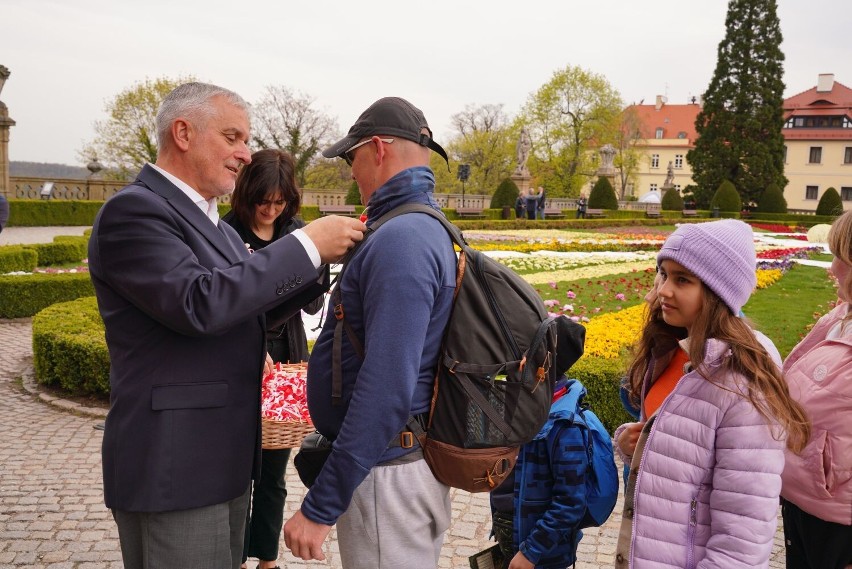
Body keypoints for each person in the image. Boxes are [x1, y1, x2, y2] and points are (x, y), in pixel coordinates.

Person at [87, 82, 365, 569]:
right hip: (175, 467)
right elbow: (201, 304)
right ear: (183, 133)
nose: (246, 153)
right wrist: (306, 245)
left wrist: (319, 269)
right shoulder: (135, 211)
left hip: (224, 462)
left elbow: (248, 312)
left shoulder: (209, 220)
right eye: (234, 137)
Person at [283, 97, 457, 568]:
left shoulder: (402, 239)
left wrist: (322, 505)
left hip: (387, 474)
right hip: (392, 465)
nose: (350, 172)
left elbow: (386, 389)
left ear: (377, 148)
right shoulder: (416, 226)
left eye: (350, 157)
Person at [612, 219, 810, 568]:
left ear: (719, 291)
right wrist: (640, 443)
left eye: (682, 280)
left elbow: (742, 538)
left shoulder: (743, 381)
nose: (663, 290)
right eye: (664, 274)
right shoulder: (673, 349)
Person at [222, 148, 326, 569]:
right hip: (238, 355)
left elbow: (312, 303)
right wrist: (251, 344)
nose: (269, 210)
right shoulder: (224, 231)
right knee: (232, 470)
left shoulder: (296, 233)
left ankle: (265, 559)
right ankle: (234, 557)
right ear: (248, 194)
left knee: (272, 470)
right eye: (263, 201)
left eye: (279, 203)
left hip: (285, 355)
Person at [780, 210, 852, 569]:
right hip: (802, 503)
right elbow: (783, 381)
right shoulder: (838, 318)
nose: (832, 268)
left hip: (840, 528)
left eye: (840, 257)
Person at [490, 316, 587, 569]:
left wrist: (530, 553)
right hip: (512, 529)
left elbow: (570, 502)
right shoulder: (531, 403)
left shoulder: (564, 425)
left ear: (546, 366)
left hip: (538, 552)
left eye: (529, 353)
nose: (520, 360)